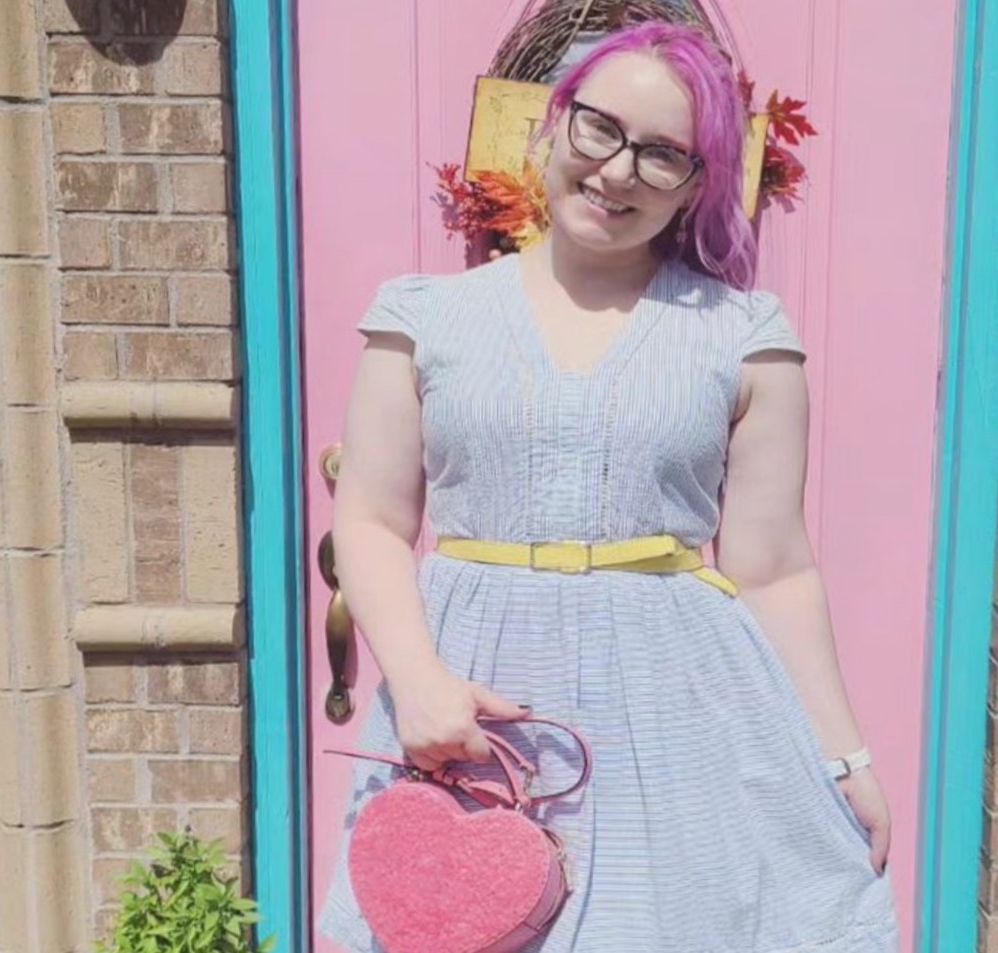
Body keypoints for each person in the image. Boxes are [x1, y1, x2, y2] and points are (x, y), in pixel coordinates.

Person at [320, 21, 900, 953]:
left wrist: (843, 755)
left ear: (697, 184)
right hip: (470, 702)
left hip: (675, 716)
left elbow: (774, 567)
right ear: (551, 129)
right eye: (599, 129)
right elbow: (373, 519)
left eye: (662, 153)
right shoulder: (424, 317)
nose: (619, 170)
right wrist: (419, 684)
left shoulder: (742, 334)